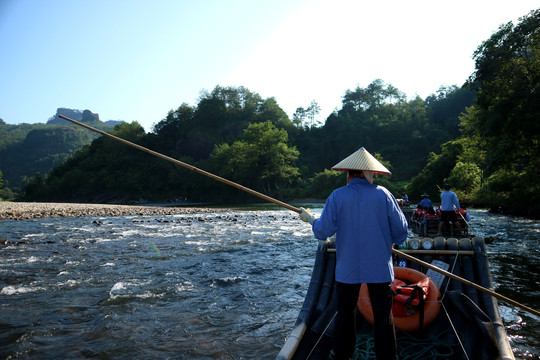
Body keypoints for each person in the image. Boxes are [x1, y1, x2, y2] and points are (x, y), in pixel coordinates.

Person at [299, 147, 408, 360]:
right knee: (383, 317)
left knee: (345, 315)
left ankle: (343, 357)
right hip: (379, 267)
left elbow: (323, 231)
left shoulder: (337, 196)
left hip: (348, 269)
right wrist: (386, 238)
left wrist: (310, 218)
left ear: (348, 174)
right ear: (370, 173)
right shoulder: (383, 194)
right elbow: (401, 233)